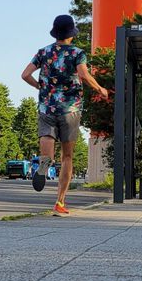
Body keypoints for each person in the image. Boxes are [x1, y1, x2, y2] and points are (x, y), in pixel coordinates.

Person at [21, 14, 107, 216]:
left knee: (47, 145)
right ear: (71, 34)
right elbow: (84, 74)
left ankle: (43, 164)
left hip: (47, 107)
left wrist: (40, 87)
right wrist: (100, 89)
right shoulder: (77, 53)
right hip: (70, 109)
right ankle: (59, 202)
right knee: (67, 156)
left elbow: (25, 75)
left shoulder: (43, 52)